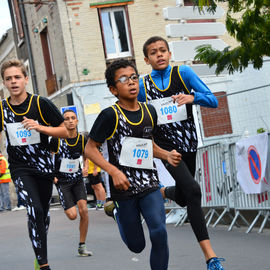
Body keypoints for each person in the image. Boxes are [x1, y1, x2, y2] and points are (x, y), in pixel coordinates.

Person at [84, 59, 181, 270]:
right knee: (137, 246)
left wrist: (166, 155)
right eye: (124, 79)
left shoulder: (150, 112)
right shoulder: (109, 115)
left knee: (159, 232)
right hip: (123, 188)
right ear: (113, 89)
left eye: (134, 77)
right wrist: (113, 171)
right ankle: (118, 213)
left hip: (149, 183)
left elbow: (148, 145)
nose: (131, 82)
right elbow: (90, 148)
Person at [138, 36, 225, 270]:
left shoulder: (183, 73)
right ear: (147, 59)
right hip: (167, 149)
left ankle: (162, 192)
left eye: (163, 50)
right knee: (194, 191)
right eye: (154, 52)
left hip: (189, 144)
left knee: (187, 197)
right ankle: (210, 257)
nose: (159, 55)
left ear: (169, 53)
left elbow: (213, 101)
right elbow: (136, 116)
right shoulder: (142, 86)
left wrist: (192, 97)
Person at [0, 59, 68, 270]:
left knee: (42, 215)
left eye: (17, 77)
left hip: (43, 167)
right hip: (20, 168)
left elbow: (66, 130)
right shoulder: (2, 108)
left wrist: (41, 128)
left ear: (26, 79)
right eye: (8, 78)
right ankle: (44, 264)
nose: (13, 82)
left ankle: (39, 252)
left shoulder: (40, 104)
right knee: (34, 209)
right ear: (3, 83)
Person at [50, 109, 92, 257]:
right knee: (73, 215)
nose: (70, 121)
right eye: (67, 118)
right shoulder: (56, 140)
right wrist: (53, 176)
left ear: (77, 121)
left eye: (73, 118)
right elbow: (49, 157)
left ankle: (82, 245)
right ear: (63, 122)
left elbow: (86, 154)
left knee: (84, 211)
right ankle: (67, 202)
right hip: (62, 182)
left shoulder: (82, 139)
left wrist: (86, 167)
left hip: (77, 179)